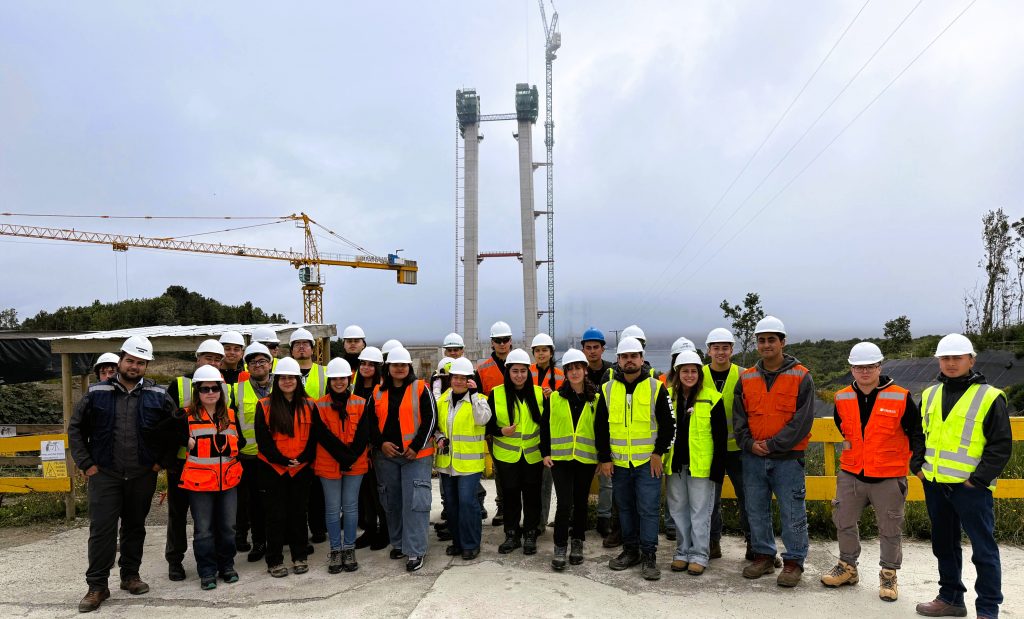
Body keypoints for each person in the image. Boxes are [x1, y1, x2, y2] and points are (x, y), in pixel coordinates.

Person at [69, 336, 176, 613]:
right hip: (105, 474)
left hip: (142, 473)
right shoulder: (97, 393)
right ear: (120, 360)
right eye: (130, 360)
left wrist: (159, 463)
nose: (135, 366)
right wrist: (86, 464)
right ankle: (97, 586)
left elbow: (175, 431)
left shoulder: (158, 395)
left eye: (141, 362)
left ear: (147, 365)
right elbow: (76, 430)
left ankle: (130, 576)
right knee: (102, 530)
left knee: (134, 527)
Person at [915, 334, 1012, 619]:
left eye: (957, 357)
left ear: (971, 359)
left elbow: (1000, 445)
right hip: (935, 484)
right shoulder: (930, 394)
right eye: (945, 358)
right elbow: (920, 434)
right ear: (939, 361)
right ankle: (951, 599)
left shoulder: (990, 397)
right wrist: (917, 465)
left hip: (970, 488)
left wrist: (978, 480)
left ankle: (987, 610)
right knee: (943, 545)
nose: (951, 363)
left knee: (983, 549)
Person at [821, 342, 924, 602]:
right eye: (858, 367)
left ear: (880, 366)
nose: (864, 371)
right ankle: (847, 568)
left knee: (890, 527)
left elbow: (915, 433)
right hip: (851, 472)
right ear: (851, 369)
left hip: (889, 476)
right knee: (843, 521)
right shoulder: (842, 397)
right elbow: (843, 427)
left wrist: (915, 464)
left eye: (870, 366)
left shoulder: (900, 396)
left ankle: (888, 574)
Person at [734, 316, 815, 587]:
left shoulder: (802, 376)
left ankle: (793, 563)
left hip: (788, 460)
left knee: (792, 511)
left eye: (771, 339)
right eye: (761, 340)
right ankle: (764, 556)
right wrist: (748, 443)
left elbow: (801, 422)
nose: (766, 344)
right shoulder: (746, 378)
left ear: (782, 342)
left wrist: (771, 445)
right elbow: (739, 418)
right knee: (756, 509)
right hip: (753, 458)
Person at [595, 337, 674, 581]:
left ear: (641, 358)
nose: (629, 360)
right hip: (618, 463)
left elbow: (668, 425)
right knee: (626, 509)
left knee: (649, 510)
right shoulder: (607, 389)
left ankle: (649, 554)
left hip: (646, 463)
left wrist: (658, 453)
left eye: (634, 356)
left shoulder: (655, 387)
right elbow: (600, 427)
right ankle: (631, 551)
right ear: (618, 360)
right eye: (624, 356)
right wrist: (605, 458)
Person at [173, 365, 244, 590]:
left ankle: (227, 566)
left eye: (215, 388)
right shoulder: (186, 416)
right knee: (203, 529)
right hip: (200, 484)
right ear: (197, 391)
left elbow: (239, 443)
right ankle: (206, 571)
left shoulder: (231, 416)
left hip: (228, 482)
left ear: (221, 391)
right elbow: (162, 433)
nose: (210, 392)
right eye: (205, 389)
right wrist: (184, 440)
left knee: (228, 527)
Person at [165, 339, 229, 582]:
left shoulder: (223, 388)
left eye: (217, 359)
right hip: (182, 464)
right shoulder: (179, 385)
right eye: (208, 357)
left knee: (208, 518)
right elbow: (167, 424)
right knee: (178, 515)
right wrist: (183, 440)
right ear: (197, 358)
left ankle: (210, 561)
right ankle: (175, 561)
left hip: (211, 464)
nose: (213, 362)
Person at [368, 346, 437, 572]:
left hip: (415, 456)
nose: (399, 368)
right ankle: (399, 543)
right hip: (386, 456)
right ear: (388, 368)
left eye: (403, 365)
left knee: (415, 503)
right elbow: (369, 424)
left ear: (409, 367)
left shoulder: (420, 388)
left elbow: (430, 419)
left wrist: (416, 447)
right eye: (395, 365)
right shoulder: (377, 392)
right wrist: (381, 444)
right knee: (392, 501)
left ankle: (415, 551)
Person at [664, 350, 727, 576]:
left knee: (700, 511)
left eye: (693, 371)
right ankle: (682, 552)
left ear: (699, 374)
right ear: (677, 373)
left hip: (702, 466)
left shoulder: (712, 398)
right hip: (675, 464)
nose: (689, 375)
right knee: (678, 509)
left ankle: (700, 554)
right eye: (684, 371)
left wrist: (718, 469)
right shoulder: (667, 396)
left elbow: (720, 437)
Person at [255, 357, 318, 578]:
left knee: (299, 515)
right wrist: (282, 460)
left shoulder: (310, 405)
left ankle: (299, 556)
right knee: (275, 516)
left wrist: (304, 458)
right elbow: (263, 440)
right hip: (273, 469)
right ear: (277, 380)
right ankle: (274, 560)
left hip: (301, 469)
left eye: (291, 377)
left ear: (298, 380)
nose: (288, 381)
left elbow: (313, 438)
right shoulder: (264, 405)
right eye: (283, 378)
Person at [542, 348, 601, 571]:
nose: (575, 372)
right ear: (565, 373)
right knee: (565, 503)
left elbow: (601, 430)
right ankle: (559, 547)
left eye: (578, 367)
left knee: (581, 503)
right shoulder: (555, 398)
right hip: (561, 459)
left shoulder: (595, 399)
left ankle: (577, 542)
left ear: (585, 370)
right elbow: (545, 427)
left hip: (586, 459)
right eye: (570, 369)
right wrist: (545, 452)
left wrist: (601, 458)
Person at [313, 358, 371, 574]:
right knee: (331, 508)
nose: (339, 382)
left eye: (342, 378)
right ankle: (335, 550)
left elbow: (363, 434)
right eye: (335, 378)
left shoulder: (360, 403)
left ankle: (349, 548)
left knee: (350, 507)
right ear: (330, 381)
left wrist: (350, 457)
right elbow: (323, 435)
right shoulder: (319, 405)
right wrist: (343, 457)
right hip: (330, 463)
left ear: (349, 379)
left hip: (354, 463)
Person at [486, 348, 544, 555]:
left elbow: (545, 427)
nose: (519, 375)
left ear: (528, 372)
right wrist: (501, 431)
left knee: (532, 496)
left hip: (532, 456)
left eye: (523, 371)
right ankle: (511, 534)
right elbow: (487, 425)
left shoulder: (538, 394)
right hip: (506, 457)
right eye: (515, 371)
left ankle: (530, 533)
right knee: (510, 496)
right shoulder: (496, 393)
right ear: (508, 372)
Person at [434, 357, 491, 560]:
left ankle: (471, 544)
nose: (458, 381)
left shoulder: (480, 399)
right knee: (451, 504)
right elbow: (436, 427)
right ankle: (458, 543)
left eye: (463, 378)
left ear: (470, 380)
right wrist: (440, 437)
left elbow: (483, 419)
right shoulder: (442, 401)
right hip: (447, 462)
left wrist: (474, 395)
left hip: (469, 464)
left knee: (467, 502)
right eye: (455, 377)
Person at [703, 328, 751, 560]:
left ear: (732, 349)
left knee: (748, 498)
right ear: (708, 350)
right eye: (716, 347)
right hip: (709, 450)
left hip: (739, 450)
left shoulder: (745, 375)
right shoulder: (698, 375)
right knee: (710, 500)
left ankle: (754, 544)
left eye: (725, 347)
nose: (720, 352)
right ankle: (713, 542)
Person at [231, 342, 274, 562]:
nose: (257, 365)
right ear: (247, 366)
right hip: (249, 457)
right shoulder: (236, 390)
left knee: (277, 503)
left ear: (270, 363)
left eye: (262, 361)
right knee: (255, 505)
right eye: (252, 362)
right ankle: (258, 543)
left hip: (277, 457)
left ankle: (278, 540)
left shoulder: (285, 384)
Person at [288, 328, 328, 546]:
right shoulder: (283, 374)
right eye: (297, 344)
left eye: (306, 343)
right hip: (292, 440)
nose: (301, 347)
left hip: (318, 438)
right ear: (291, 350)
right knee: (295, 491)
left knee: (317, 489)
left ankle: (318, 528)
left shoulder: (324, 372)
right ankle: (297, 530)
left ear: (313, 349)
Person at [580, 327, 617, 543]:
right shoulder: (576, 370)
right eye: (588, 347)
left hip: (607, 433)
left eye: (596, 347)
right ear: (583, 349)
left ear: (603, 349)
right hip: (582, 435)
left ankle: (604, 519)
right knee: (580, 480)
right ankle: (580, 517)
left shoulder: (612, 371)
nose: (592, 351)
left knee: (607, 480)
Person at [478, 320, 514, 527]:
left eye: (505, 340)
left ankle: (519, 507)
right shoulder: (483, 370)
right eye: (498, 340)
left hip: (521, 427)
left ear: (510, 341)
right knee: (501, 470)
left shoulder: (520, 365)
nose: (502, 344)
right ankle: (502, 507)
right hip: (496, 429)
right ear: (492, 343)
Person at [353, 346, 389, 551]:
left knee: (380, 492)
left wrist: (374, 442)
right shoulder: (354, 389)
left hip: (377, 448)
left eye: (371, 364)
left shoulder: (382, 390)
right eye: (363, 364)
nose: (366, 368)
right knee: (365, 492)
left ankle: (384, 530)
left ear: (378, 367)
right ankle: (370, 529)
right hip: (360, 449)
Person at [531, 333, 563, 537]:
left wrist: (554, 396)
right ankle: (531, 519)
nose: (541, 353)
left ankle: (540, 522)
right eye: (538, 350)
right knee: (530, 482)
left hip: (551, 433)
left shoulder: (560, 375)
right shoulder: (526, 371)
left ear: (551, 352)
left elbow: (566, 400)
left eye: (545, 350)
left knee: (545, 481)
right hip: (530, 432)